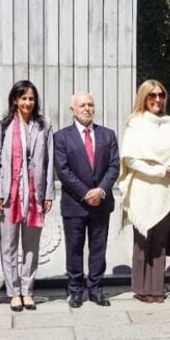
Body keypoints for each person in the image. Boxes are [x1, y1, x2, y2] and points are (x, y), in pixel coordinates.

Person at [0, 80, 54, 311]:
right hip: (9, 193)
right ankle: (14, 291)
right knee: (8, 245)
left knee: (31, 245)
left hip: (35, 194)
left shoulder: (44, 125)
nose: (27, 102)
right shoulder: (2, 125)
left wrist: (48, 193)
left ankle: (28, 290)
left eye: (31, 98)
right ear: (15, 100)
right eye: (23, 98)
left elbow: (48, 162)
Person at [116, 80, 170, 303]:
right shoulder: (135, 123)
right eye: (152, 95)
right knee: (143, 240)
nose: (157, 99)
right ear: (143, 98)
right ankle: (141, 288)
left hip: (166, 190)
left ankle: (156, 288)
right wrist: (160, 171)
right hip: (143, 190)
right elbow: (131, 159)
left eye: (161, 95)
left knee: (161, 241)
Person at [53, 92, 120, 308]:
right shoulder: (61, 137)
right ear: (72, 109)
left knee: (98, 246)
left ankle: (96, 289)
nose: (87, 108)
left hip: (101, 202)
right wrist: (85, 193)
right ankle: (75, 290)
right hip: (75, 203)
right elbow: (62, 170)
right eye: (82, 105)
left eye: (90, 104)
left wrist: (99, 191)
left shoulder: (107, 135)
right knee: (74, 248)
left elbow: (114, 166)